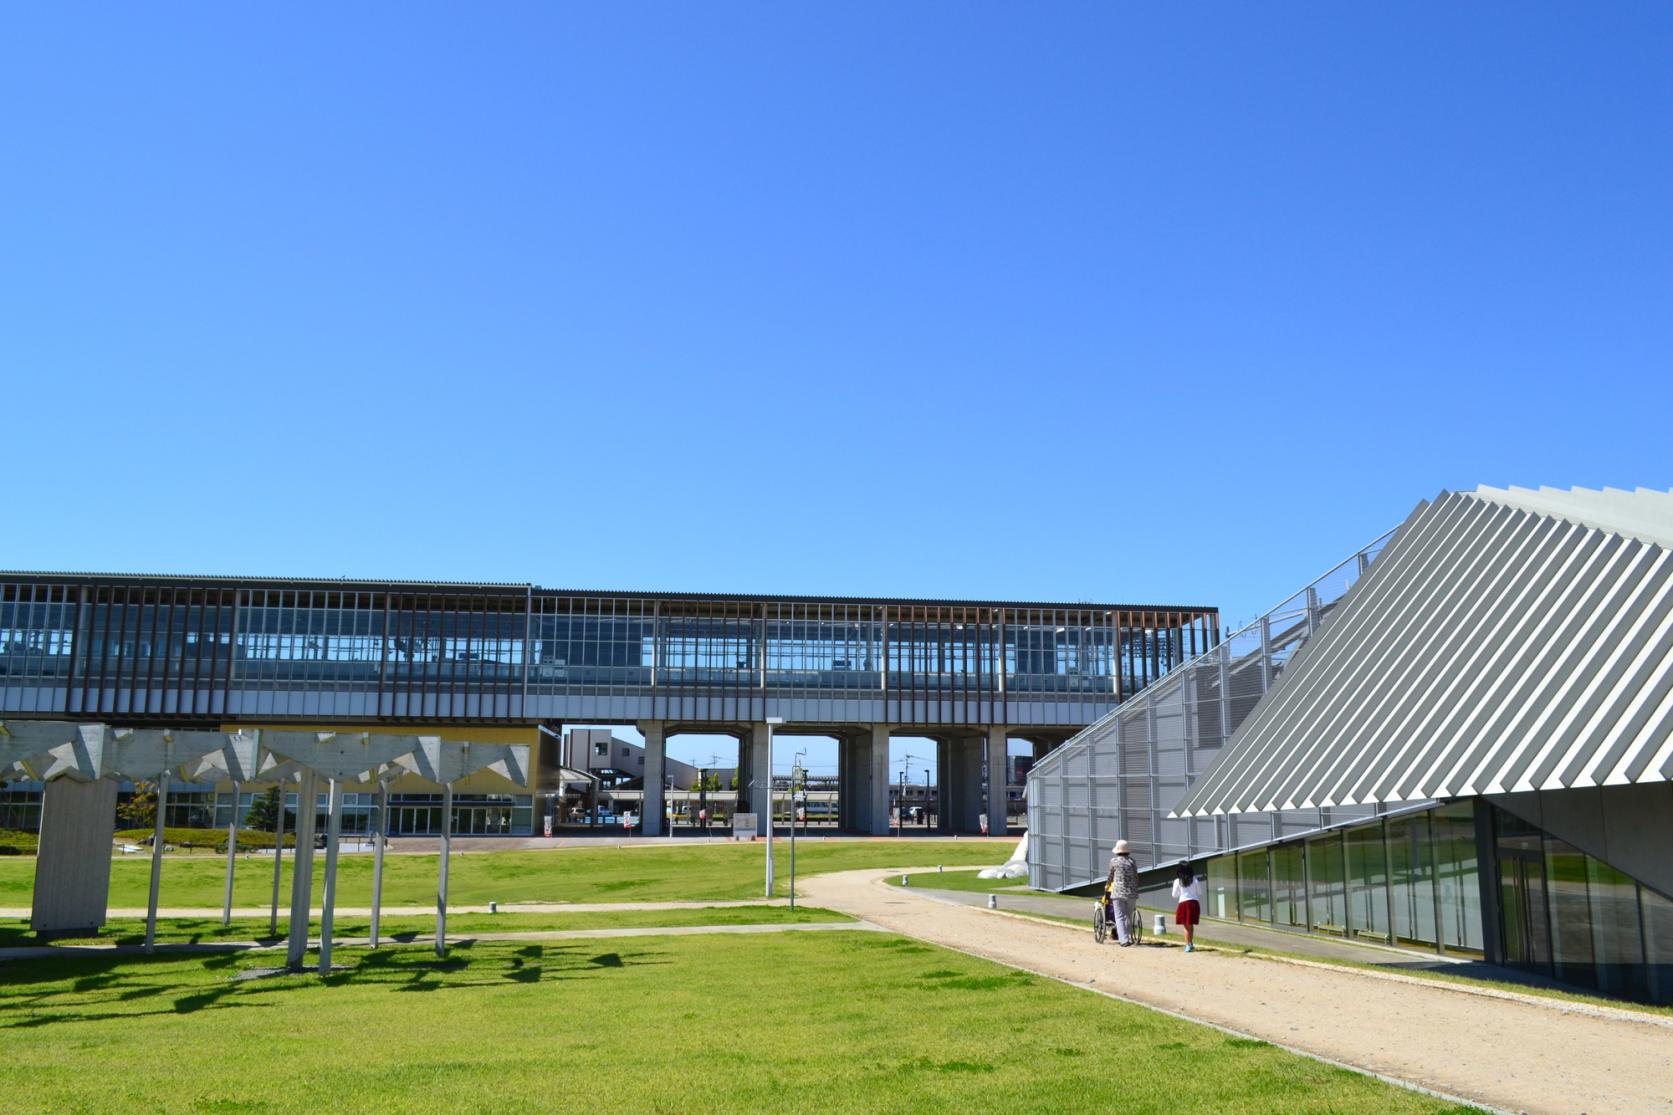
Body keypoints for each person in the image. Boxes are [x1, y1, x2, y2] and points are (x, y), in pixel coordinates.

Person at [1106, 840, 1139, 946]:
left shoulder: (1114, 861)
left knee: (1120, 916)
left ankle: (1124, 940)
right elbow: (1136, 876)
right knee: (1128, 916)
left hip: (1118, 893)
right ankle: (1127, 937)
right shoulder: (1132, 861)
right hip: (1131, 893)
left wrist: (1107, 885)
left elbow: (1110, 876)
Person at [1172, 861, 1205, 952]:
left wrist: (1181, 892)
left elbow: (1174, 895)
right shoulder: (1194, 879)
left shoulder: (1177, 881)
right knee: (1191, 924)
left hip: (1184, 903)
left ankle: (1188, 945)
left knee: (1186, 926)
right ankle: (1191, 943)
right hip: (1194, 903)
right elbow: (1200, 892)